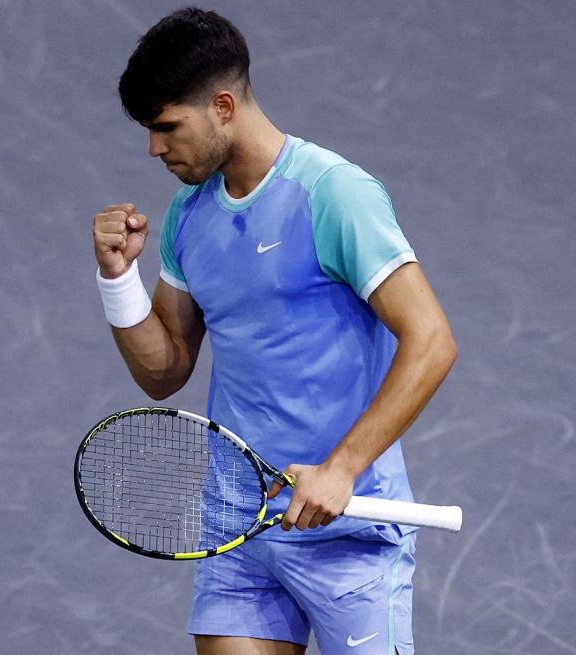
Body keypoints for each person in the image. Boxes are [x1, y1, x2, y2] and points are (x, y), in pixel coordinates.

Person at [90, 8, 456, 655]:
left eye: (167, 127)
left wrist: (340, 468)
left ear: (223, 105)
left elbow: (431, 339)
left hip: (352, 528)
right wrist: (118, 278)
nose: (155, 148)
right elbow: (163, 371)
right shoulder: (188, 218)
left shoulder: (334, 195)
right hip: (242, 528)